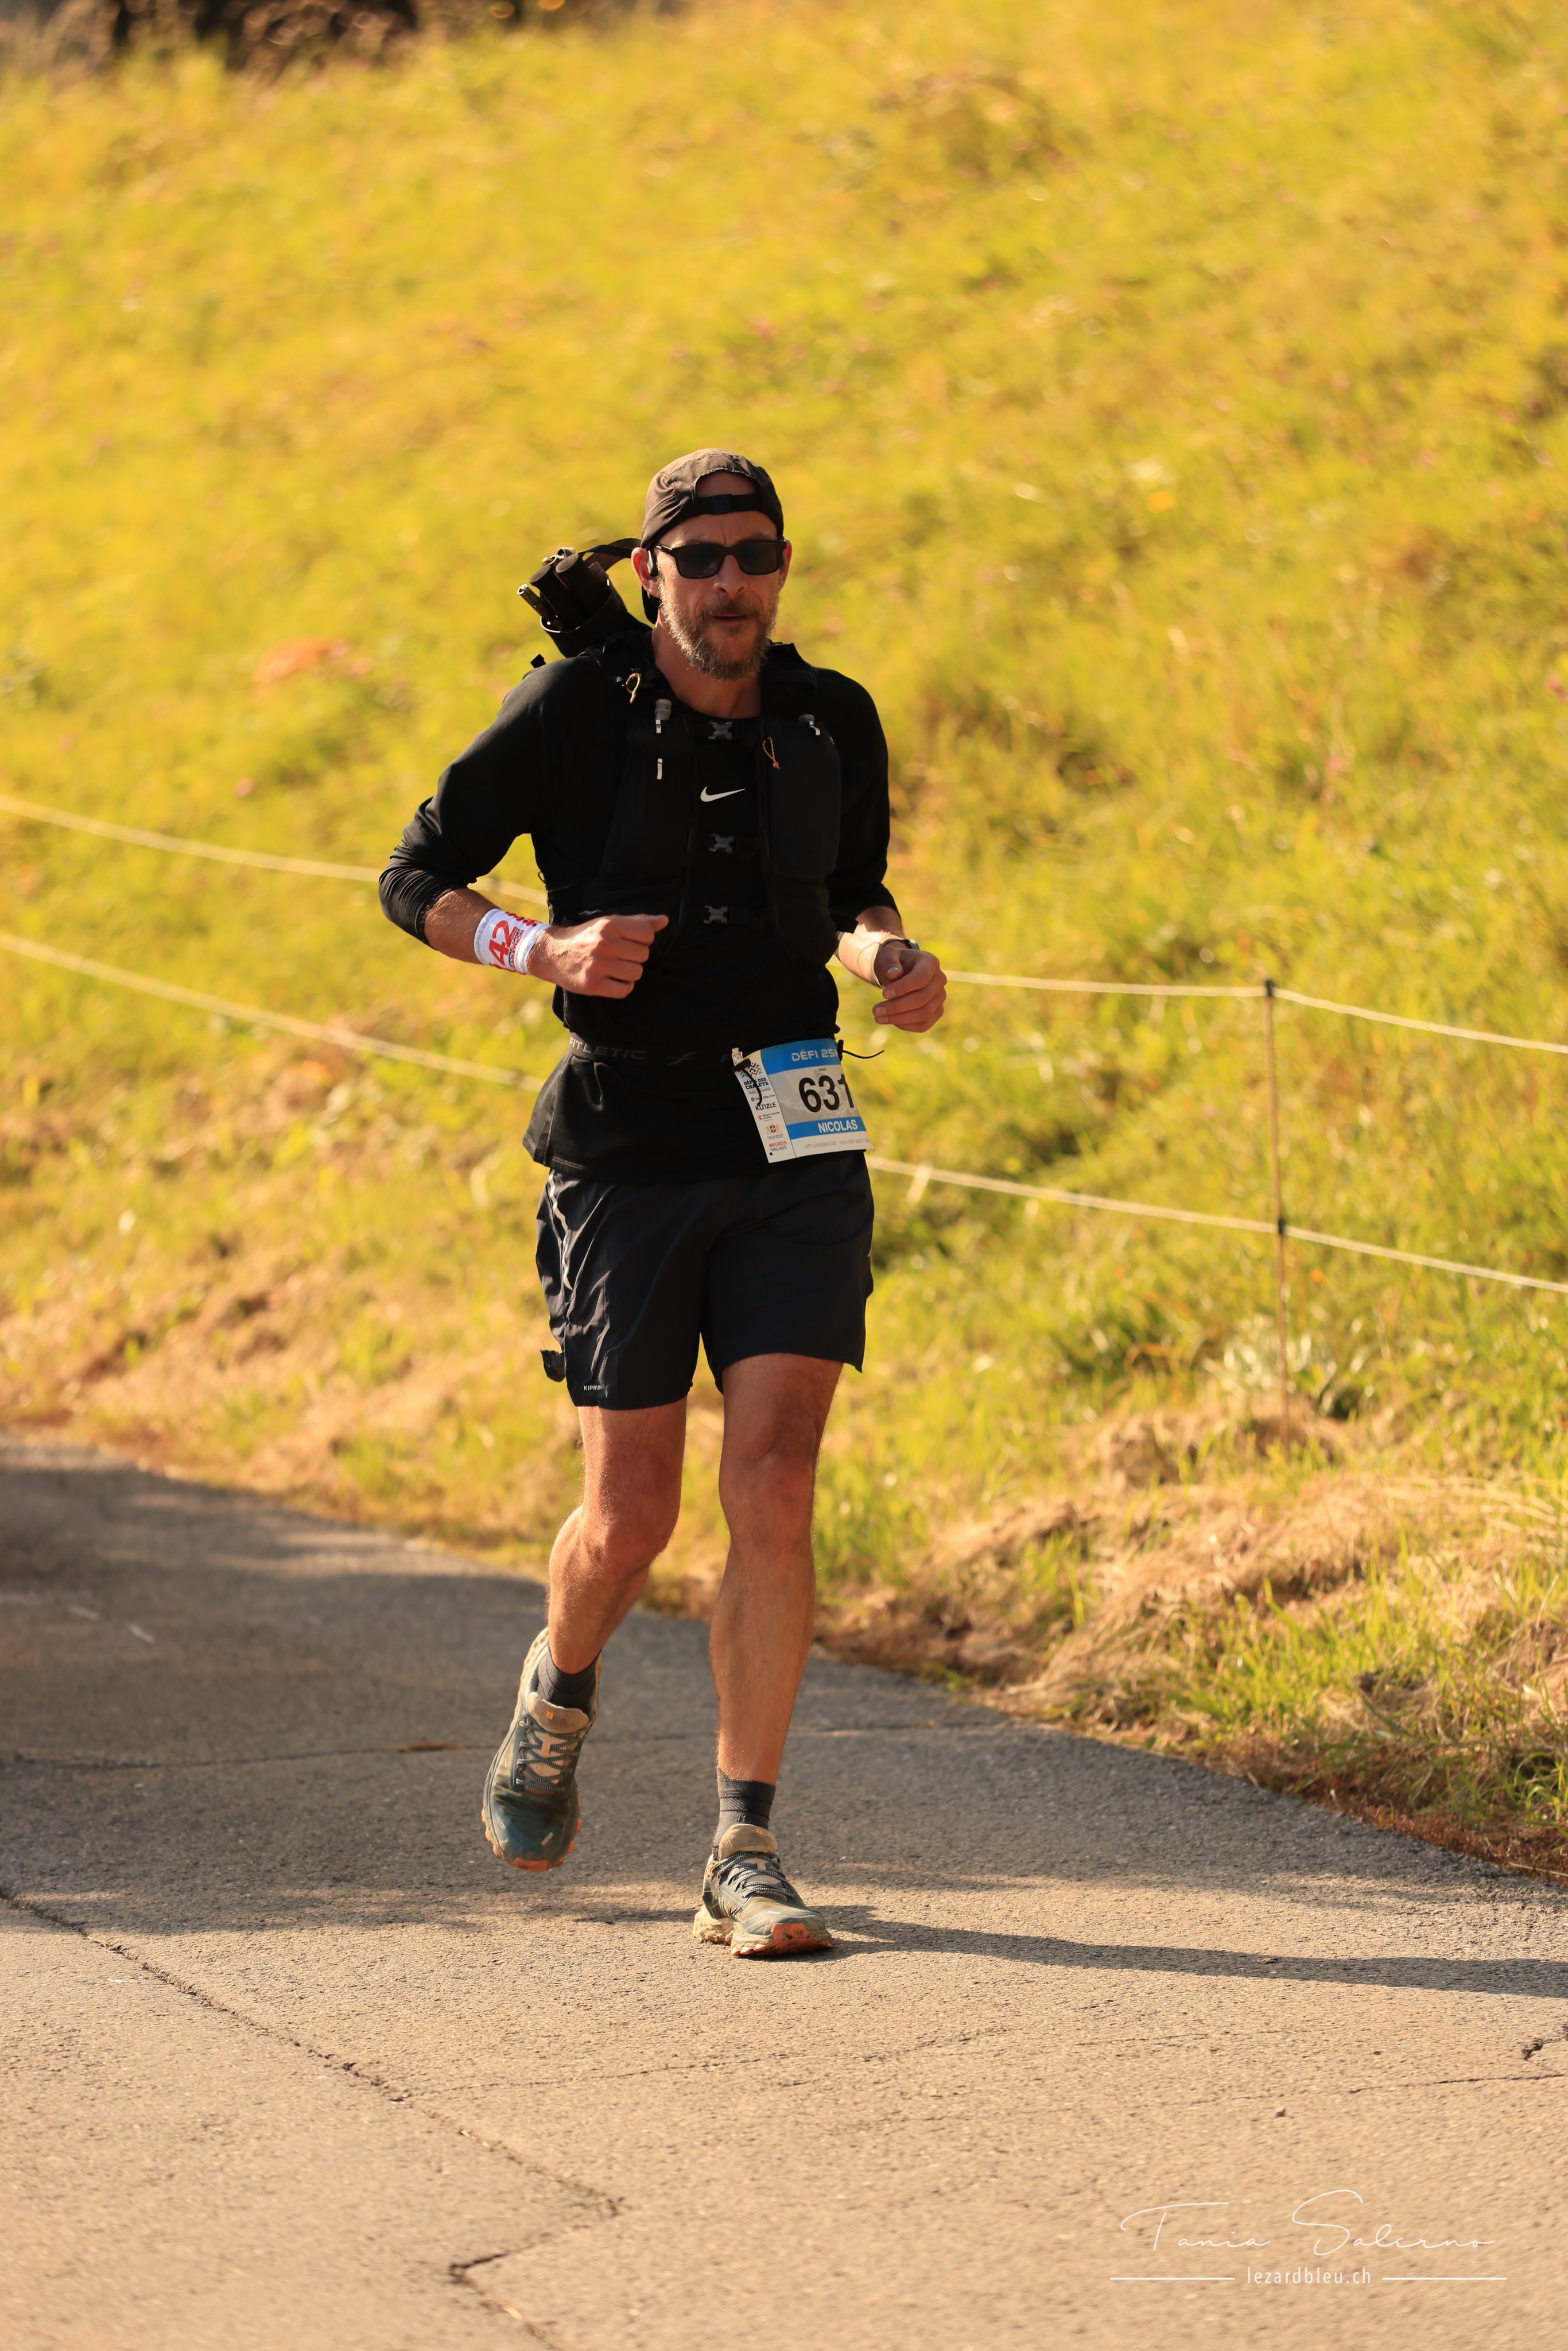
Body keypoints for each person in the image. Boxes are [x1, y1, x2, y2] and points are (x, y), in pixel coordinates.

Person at [380, 449, 946, 1957]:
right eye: (700, 558)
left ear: (782, 567)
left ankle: (743, 1849)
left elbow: (851, 894)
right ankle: (557, 1687)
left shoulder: (830, 718)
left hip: (796, 1138)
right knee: (630, 1518)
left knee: (774, 1485)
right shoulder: (574, 714)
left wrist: (886, 959)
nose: (730, 582)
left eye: (755, 554)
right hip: (628, 1144)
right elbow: (414, 876)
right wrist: (543, 950)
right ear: (650, 574)